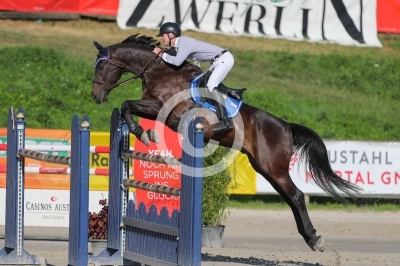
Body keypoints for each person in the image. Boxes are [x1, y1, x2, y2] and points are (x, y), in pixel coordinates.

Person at [153, 22, 234, 133]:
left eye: (162, 35)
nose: (162, 38)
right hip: (216, 62)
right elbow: (174, 55)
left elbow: (176, 62)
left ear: (171, 34)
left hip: (224, 60)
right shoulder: (180, 44)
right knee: (200, 84)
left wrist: (162, 54)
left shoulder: (183, 42)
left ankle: (225, 121)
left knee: (211, 85)